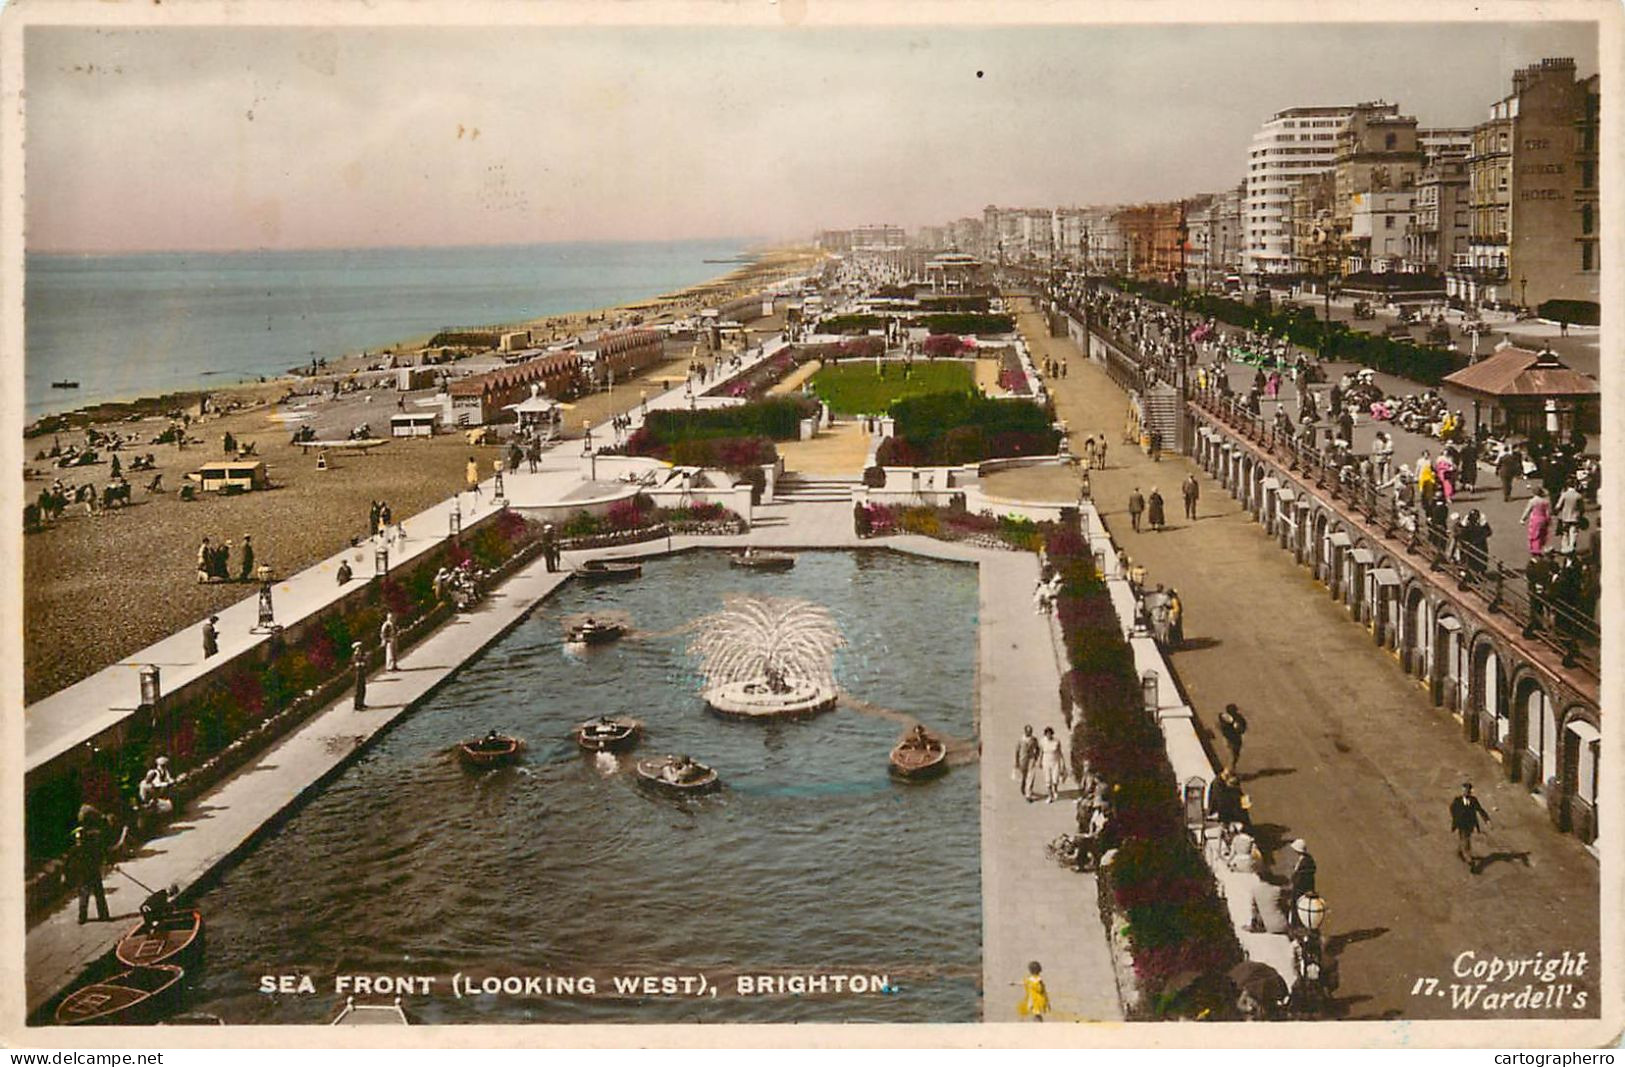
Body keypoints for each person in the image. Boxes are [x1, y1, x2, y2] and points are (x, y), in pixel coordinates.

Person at [69, 805, 111, 924]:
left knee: (84, 891)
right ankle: (103, 915)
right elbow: (98, 849)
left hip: (82, 865)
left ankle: (82, 917)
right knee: (97, 890)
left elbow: (76, 851)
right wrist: (103, 860)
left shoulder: (79, 833)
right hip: (91, 864)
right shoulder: (94, 834)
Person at [1450, 781, 1492, 871]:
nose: (1465, 793)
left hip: (1470, 824)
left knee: (1464, 838)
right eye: (1463, 791)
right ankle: (1470, 861)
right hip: (1461, 824)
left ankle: (1460, 851)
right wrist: (1456, 818)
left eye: (1467, 791)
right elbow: (1452, 809)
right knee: (1466, 840)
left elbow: (1480, 810)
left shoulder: (1473, 800)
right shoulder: (1457, 801)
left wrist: (1487, 820)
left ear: (1470, 791)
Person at [1038, 726, 1067, 804]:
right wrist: (1039, 761)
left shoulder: (1056, 741)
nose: (1048, 735)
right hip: (1046, 761)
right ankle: (1050, 795)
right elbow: (1041, 752)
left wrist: (1063, 762)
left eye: (1050, 734)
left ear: (1052, 734)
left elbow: (1060, 752)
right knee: (1048, 779)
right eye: (1047, 734)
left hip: (1055, 761)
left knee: (1055, 778)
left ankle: (1055, 790)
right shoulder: (1042, 741)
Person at [1554, 481, 1585, 553]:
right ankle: (1572, 547)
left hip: (1565, 517)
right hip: (1575, 517)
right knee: (1573, 533)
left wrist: (1556, 511)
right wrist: (1581, 514)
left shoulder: (1564, 495)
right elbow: (1582, 508)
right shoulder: (1578, 495)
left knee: (1565, 533)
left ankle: (1564, 547)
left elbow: (1558, 505)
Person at [1521, 485, 1552, 555]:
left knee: (1534, 534)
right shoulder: (1545, 501)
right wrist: (1549, 520)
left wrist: (1523, 519)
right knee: (1542, 534)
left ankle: (1535, 549)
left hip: (1535, 519)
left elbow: (1527, 510)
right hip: (1543, 519)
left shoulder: (1532, 501)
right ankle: (1540, 547)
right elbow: (1548, 512)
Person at [1218, 704, 1248, 771]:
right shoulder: (1226, 718)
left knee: (1235, 756)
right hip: (1231, 739)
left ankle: (1230, 771)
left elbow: (1243, 728)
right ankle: (1228, 773)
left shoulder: (1238, 718)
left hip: (1234, 740)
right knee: (1232, 757)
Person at [1016, 724, 1041, 801]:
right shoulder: (1021, 740)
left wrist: (1036, 756)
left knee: (1031, 776)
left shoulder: (1034, 740)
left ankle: (1028, 794)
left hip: (1031, 759)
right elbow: (1017, 751)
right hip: (1023, 759)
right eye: (1027, 731)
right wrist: (1016, 762)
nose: (1029, 733)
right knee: (1024, 775)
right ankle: (1023, 786)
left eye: (1030, 731)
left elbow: (1038, 748)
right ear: (1025, 731)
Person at [352, 642, 367, 710]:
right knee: (358, 689)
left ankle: (362, 703)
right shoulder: (355, 655)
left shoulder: (362, 654)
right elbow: (355, 663)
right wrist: (360, 664)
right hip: (358, 672)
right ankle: (357, 705)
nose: (359, 649)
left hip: (362, 672)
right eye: (358, 648)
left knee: (363, 688)